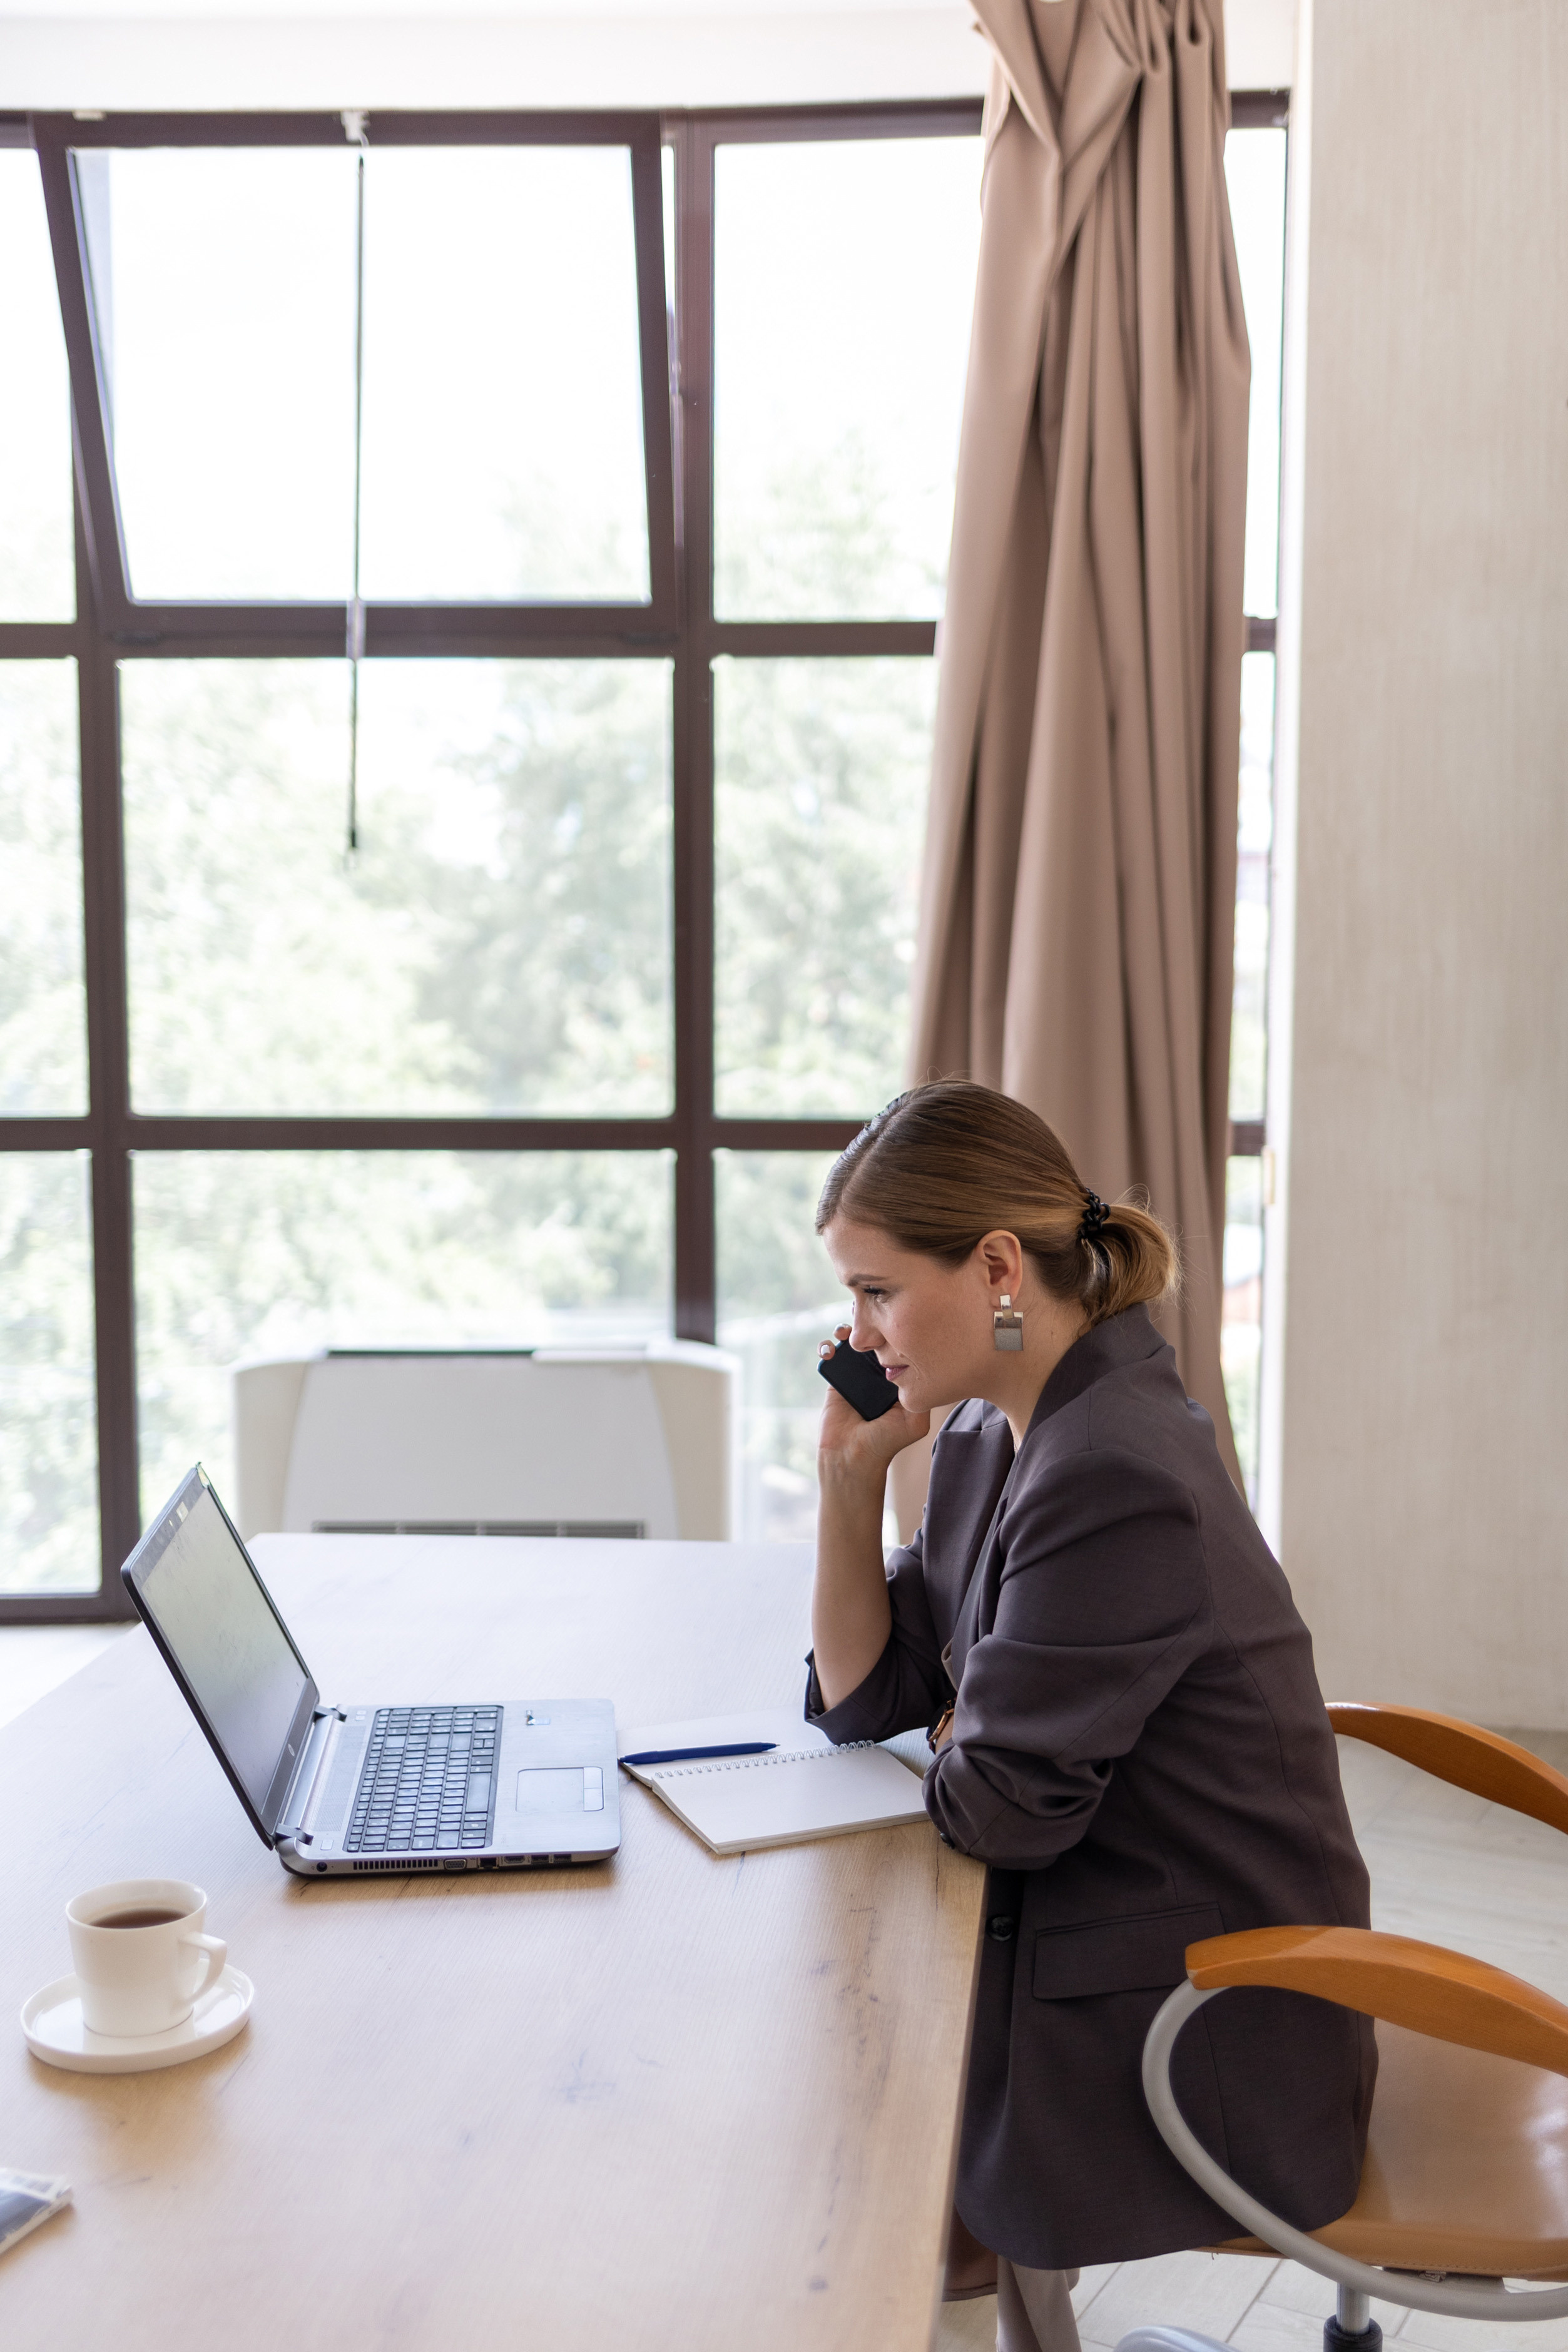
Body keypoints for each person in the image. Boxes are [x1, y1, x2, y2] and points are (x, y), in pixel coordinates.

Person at [807, 1081, 1375, 2352]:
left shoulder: (1107, 1465)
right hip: (1137, 1931)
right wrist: (851, 1478)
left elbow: (993, 1811)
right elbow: (869, 1699)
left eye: (878, 1289)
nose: (859, 1332)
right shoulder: (998, 1432)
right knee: (853, 2018)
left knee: (845, 2067)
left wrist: (969, 1728)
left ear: (997, 1262)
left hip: (1211, 2018)